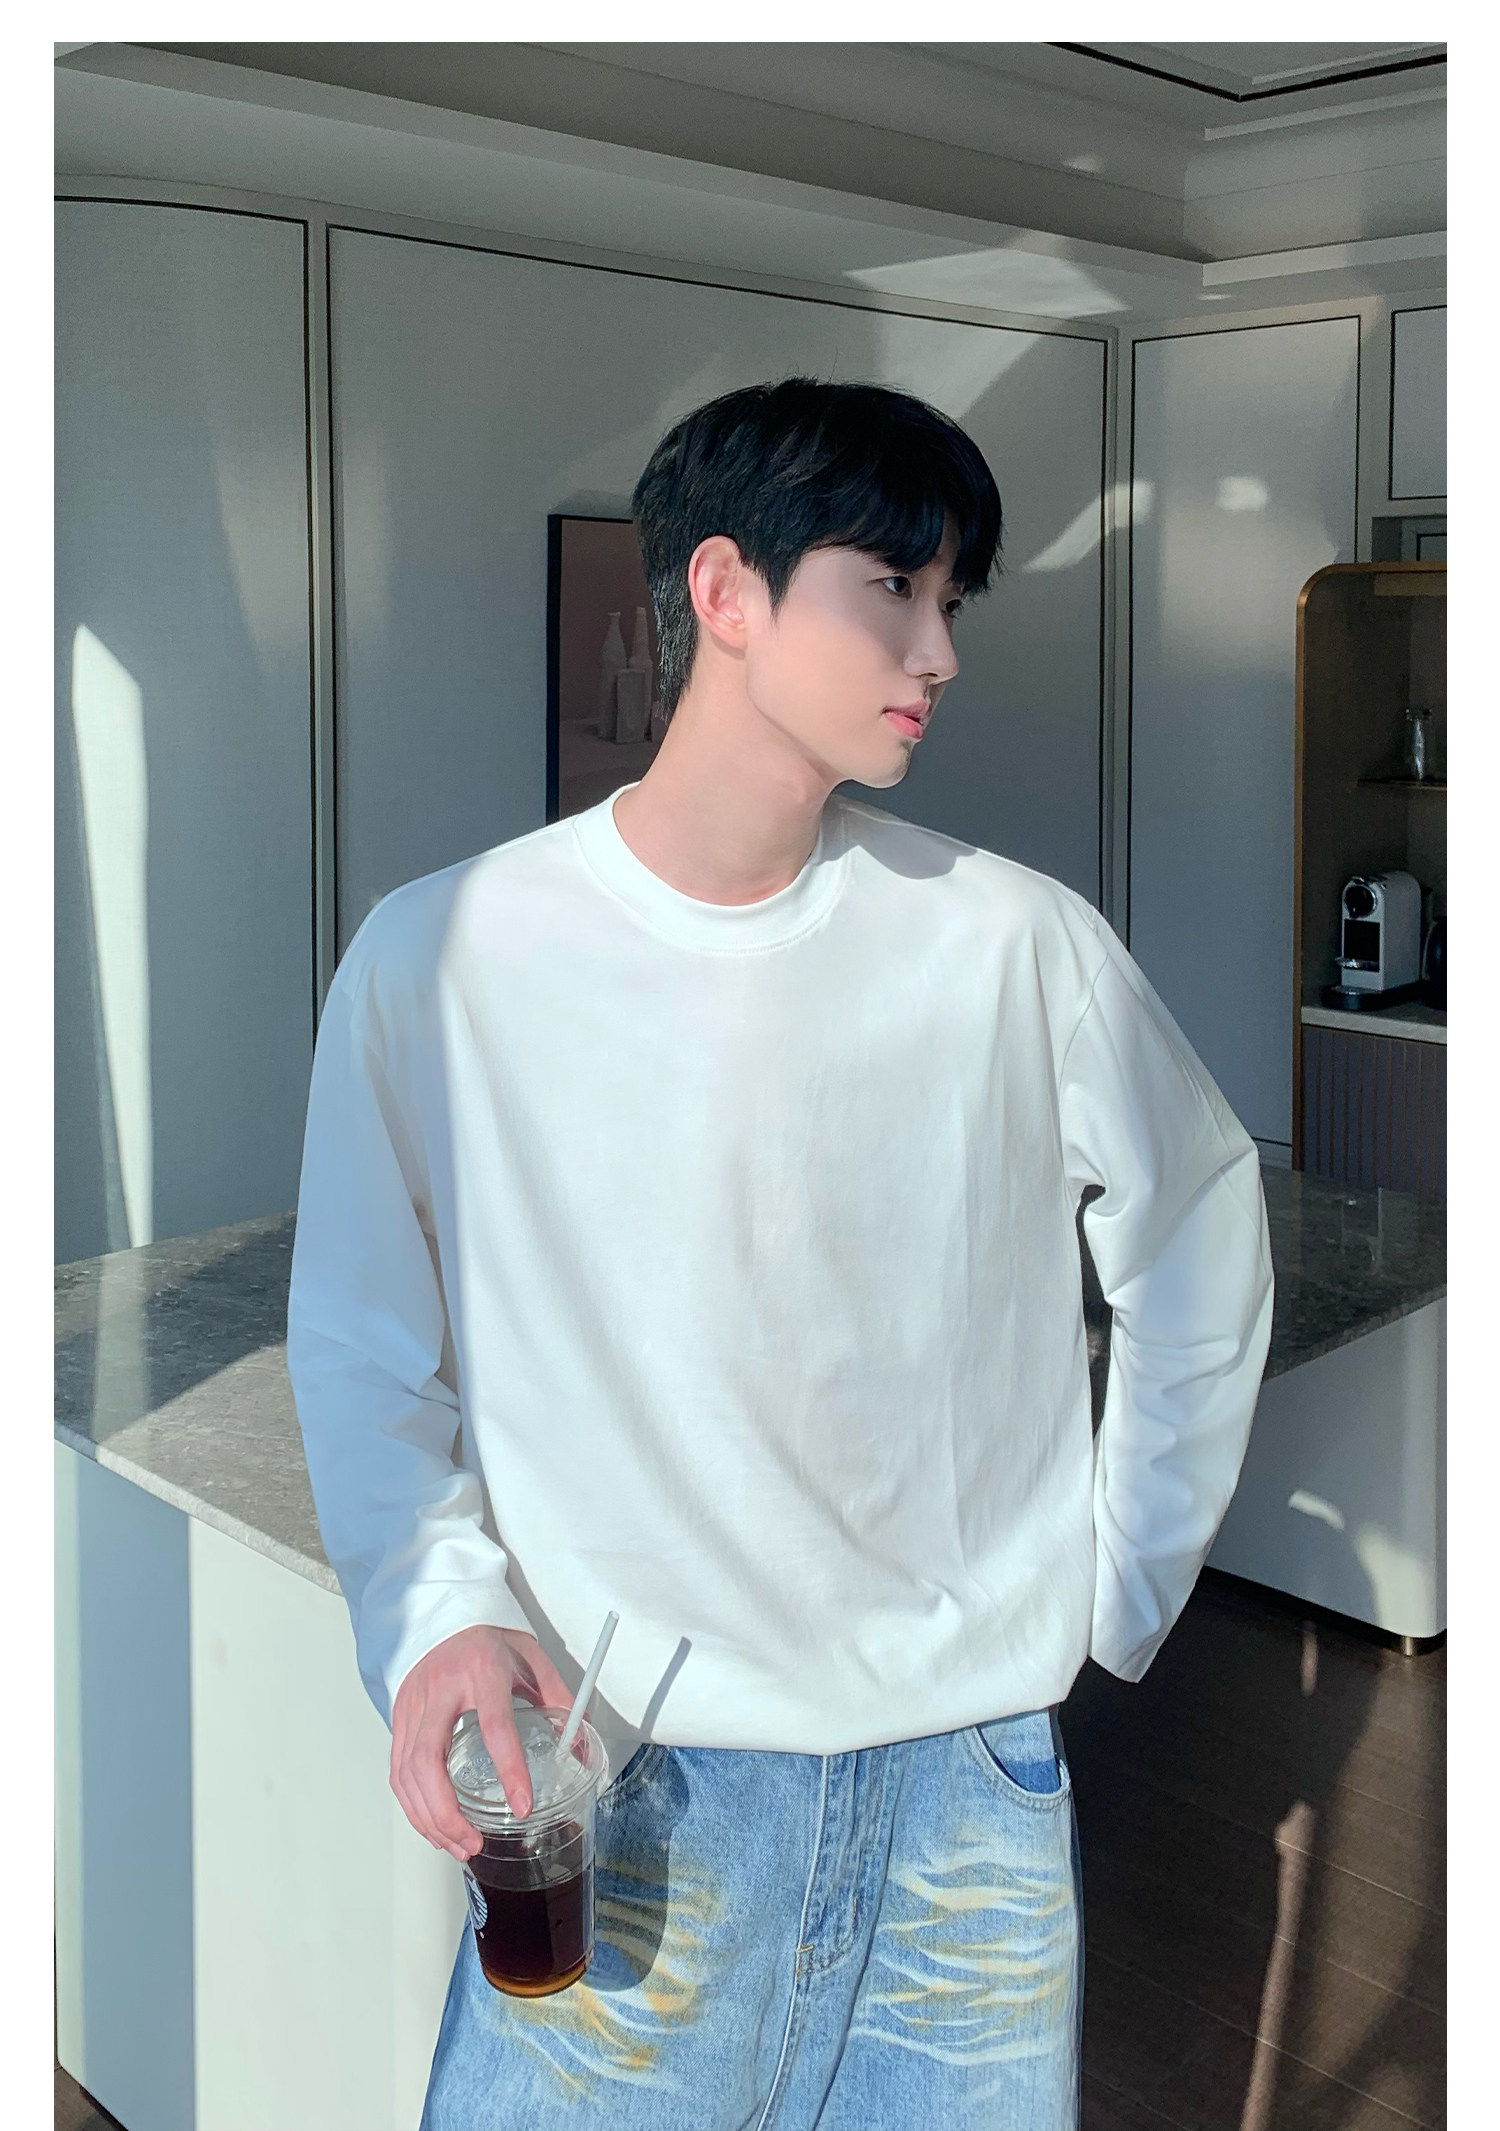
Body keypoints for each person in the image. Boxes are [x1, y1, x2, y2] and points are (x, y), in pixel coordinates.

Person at [287, 376, 1273, 2129]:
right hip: (624, 1782)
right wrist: (435, 1611)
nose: (937, 650)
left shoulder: (1012, 943)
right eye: (891, 586)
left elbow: (1198, 1226)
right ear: (724, 592)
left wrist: (1118, 1582)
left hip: (966, 1799)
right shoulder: (443, 957)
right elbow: (367, 1341)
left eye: (950, 598)